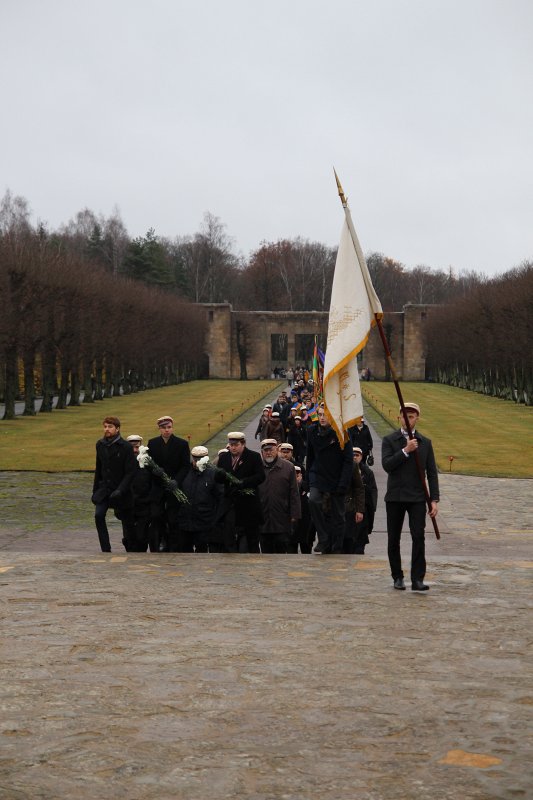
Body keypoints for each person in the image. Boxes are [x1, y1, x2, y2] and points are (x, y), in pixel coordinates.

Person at [382, 402, 439, 591]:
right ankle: (397, 576)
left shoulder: (425, 443)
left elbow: (431, 473)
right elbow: (387, 465)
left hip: (416, 497)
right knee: (393, 538)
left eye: (412, 416)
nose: (408, 419)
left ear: (417, 418)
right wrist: (406, 451)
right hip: (396, 496)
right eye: (404, 415)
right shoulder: (390, 440)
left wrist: (434, 500)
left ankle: (417, 578)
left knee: (418, 536)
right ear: (399, 417)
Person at [307, 406, 354, 554]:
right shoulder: (312, 431)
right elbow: (310, 456)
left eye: (325, 415)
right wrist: (308, 480)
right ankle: (323, 537)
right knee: (313, 500)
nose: (322, 418)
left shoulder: (342, 433)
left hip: (336, 476)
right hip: (318, 474)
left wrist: (343, 483)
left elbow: (348, 461)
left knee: (338, 516)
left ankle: (336, 547)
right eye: (320, 415)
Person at [91, 416, 137, 553]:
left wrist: (121, 490)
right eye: (105, 426)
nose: (107, 429)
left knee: (128, 522)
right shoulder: (100, 445)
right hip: (104, 489)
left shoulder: (126, 447)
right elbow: (98, 469)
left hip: (122, 490)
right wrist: (95, 491)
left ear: (117, 429)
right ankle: (105, 548)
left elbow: (130, 472)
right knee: (98, 516)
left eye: (110, 427)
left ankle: (131, 548)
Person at [148, 415, 190, 552]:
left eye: (169, 427)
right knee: (156, 516)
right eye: (164, 428)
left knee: (173, 519)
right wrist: (155, 471)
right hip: (159, 486)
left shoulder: (182, 444)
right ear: (159, 429)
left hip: (174, 486)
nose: (167, 430)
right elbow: (149, 464)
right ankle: (162, 540)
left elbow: (185, 466)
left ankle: (174, 546)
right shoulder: (152, 443)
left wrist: (176, 481)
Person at [217, 431, 265, 553]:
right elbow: (218, 479)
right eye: (231, 444)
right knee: (229, 535)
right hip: (231, 503)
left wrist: (244, 482)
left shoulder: (253, 457)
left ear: (243, 444)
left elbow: (260, 476)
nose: (233, 447)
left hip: (248, 503)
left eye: (236, 445)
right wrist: (219, 474)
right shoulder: (224, 458)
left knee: (250, 539)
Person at [178, 445, 225, 552]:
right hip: (185, 521)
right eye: (195, 459)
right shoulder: (185, 472)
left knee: (201, 553)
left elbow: (220, 497)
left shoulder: (214, 474)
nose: (197, 462)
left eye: (199, 459)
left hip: (204, 522)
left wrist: (214, 519)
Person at [258, 439, 301, 553]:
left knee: (281, 553)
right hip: (263, 519)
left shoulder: (288, 467)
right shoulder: (257, 467)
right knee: (266, 552)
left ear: (276, 450)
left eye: (271, 450)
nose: (268, 453)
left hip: (282, 519)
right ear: (262, 452)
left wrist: (295, 515)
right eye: (265, 450)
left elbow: (294, 492)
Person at [123, 434, 153, 552]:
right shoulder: (123, 462)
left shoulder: (148, 463)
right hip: (128, 505)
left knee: (141, 537)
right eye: (132, 447)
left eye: (137, 447)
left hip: (143, 504)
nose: (135, 450)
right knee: (128, 538)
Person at [343, 448, 372, 554]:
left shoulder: (367, 472)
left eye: (357, 455)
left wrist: (366, 509)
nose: (355, 457)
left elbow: (371, 492)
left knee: (359, 540)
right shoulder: (347, 468)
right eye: (353, 455)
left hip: (362, 508)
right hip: (348, 507)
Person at [288, 465, 315, 554]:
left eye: (297, 474)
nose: (295, 477)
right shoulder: (286, 486)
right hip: (292, 526)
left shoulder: (307, 487)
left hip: (306, 527)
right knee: (291, 553)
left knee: (306, 553)